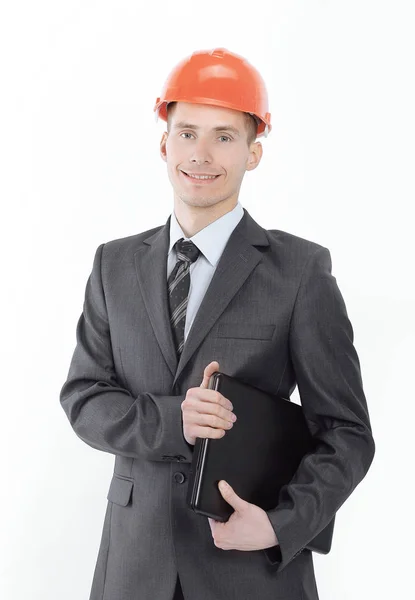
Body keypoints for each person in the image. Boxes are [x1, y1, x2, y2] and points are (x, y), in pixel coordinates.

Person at [60, 47, 375, 600]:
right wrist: (173, 421)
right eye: (187, 133)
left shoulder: (300, 272)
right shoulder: (113, 265)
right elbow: (84, 397)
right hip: (134, 570)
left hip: (248, 571)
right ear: (164, 143)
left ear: (253, 153)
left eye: (224, 137)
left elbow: (347, 434)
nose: (201, 154)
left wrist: (280, 526)